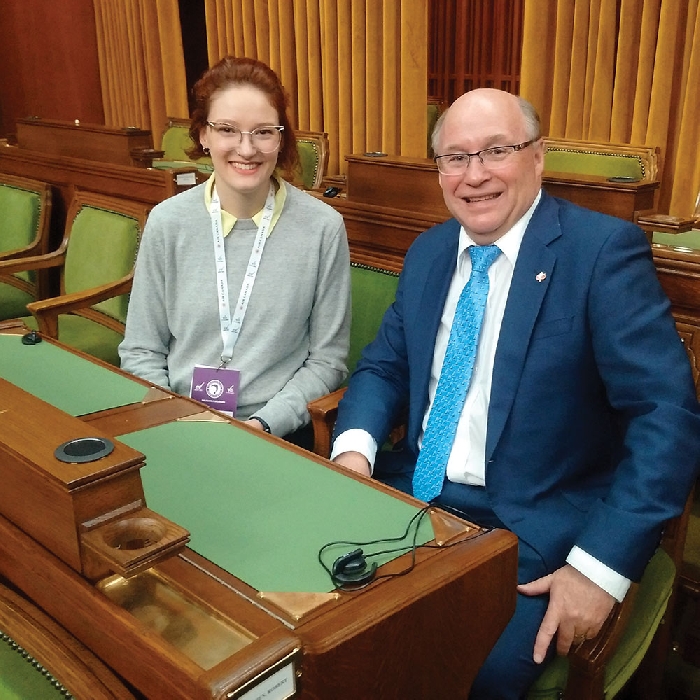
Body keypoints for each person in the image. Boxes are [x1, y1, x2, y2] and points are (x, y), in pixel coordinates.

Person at [331, 88, 700, 697]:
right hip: (407, 496)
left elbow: (666, 415)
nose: (474, 176)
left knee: (463, 674)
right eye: (455, 157)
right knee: (318, 627)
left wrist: (597, 570)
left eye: (495, 151)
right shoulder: (428, 252)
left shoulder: (600, 253)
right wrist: (353, 452)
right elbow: (385, 367)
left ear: (537, 157)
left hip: (535, 530)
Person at [119, 57, 351, 445]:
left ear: (281, 139)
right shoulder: (167, 222)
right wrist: (171, 414)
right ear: (203, 135)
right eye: (227, 129)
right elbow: (142, 348)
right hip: (174, 421)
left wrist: (262, 425)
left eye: (263, 132)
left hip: (276, 432)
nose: (247, 149)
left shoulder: (322, 229)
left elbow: (327, 361)